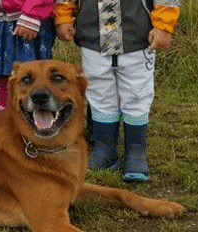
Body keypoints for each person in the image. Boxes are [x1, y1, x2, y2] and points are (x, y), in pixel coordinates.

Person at [54, 0, 180, 182]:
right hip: (93, 38)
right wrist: (63, 17)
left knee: (137, 94)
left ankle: (135, 151)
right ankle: (104, 150)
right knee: (99, 93)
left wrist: (164, 27)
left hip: (137, 39)